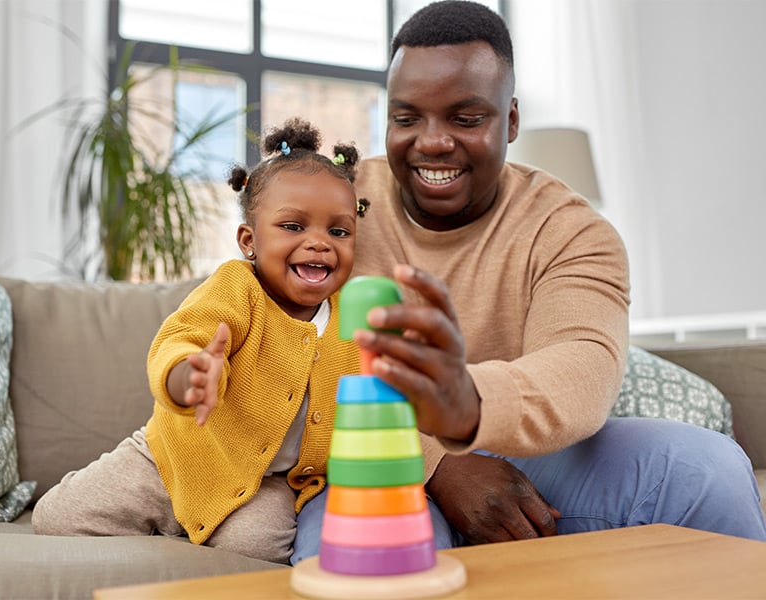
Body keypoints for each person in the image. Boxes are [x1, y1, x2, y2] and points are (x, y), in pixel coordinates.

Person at [291, 1, 766, 563]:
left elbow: (581, 370)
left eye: (466, 119)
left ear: (511, 120)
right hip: (357, 458)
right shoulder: (331, 205)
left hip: (532, 458)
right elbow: (274, 359)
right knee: (357, 562)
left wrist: (463, 406)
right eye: (407, 117)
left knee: (706, 470)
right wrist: (438, 459)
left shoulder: (571, 230)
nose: (433, 142)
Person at [32, 117, 370, 564]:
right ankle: (170, 521)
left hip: (263, 482)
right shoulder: (237, 288)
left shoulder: (354, 313)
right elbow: (183, 338)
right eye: (293, 227)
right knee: (57, 516)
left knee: (256, 551)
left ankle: (187, 531)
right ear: (249, 240)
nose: (319, 244)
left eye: (338, 231)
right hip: (171, 456)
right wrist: (188, 374)